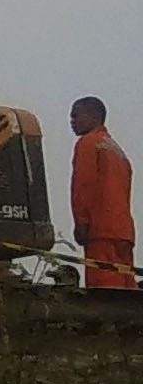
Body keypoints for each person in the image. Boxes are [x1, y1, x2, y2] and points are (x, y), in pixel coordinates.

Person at [78, 97, 136, 292]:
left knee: (104, 291)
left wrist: (82, 221)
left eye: (76, 115)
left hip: (100, 229)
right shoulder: (117, 150)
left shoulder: (87, 143)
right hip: (123, 231)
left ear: (94, 116)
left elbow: (83, 185)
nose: (72, 121)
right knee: (127, 291)